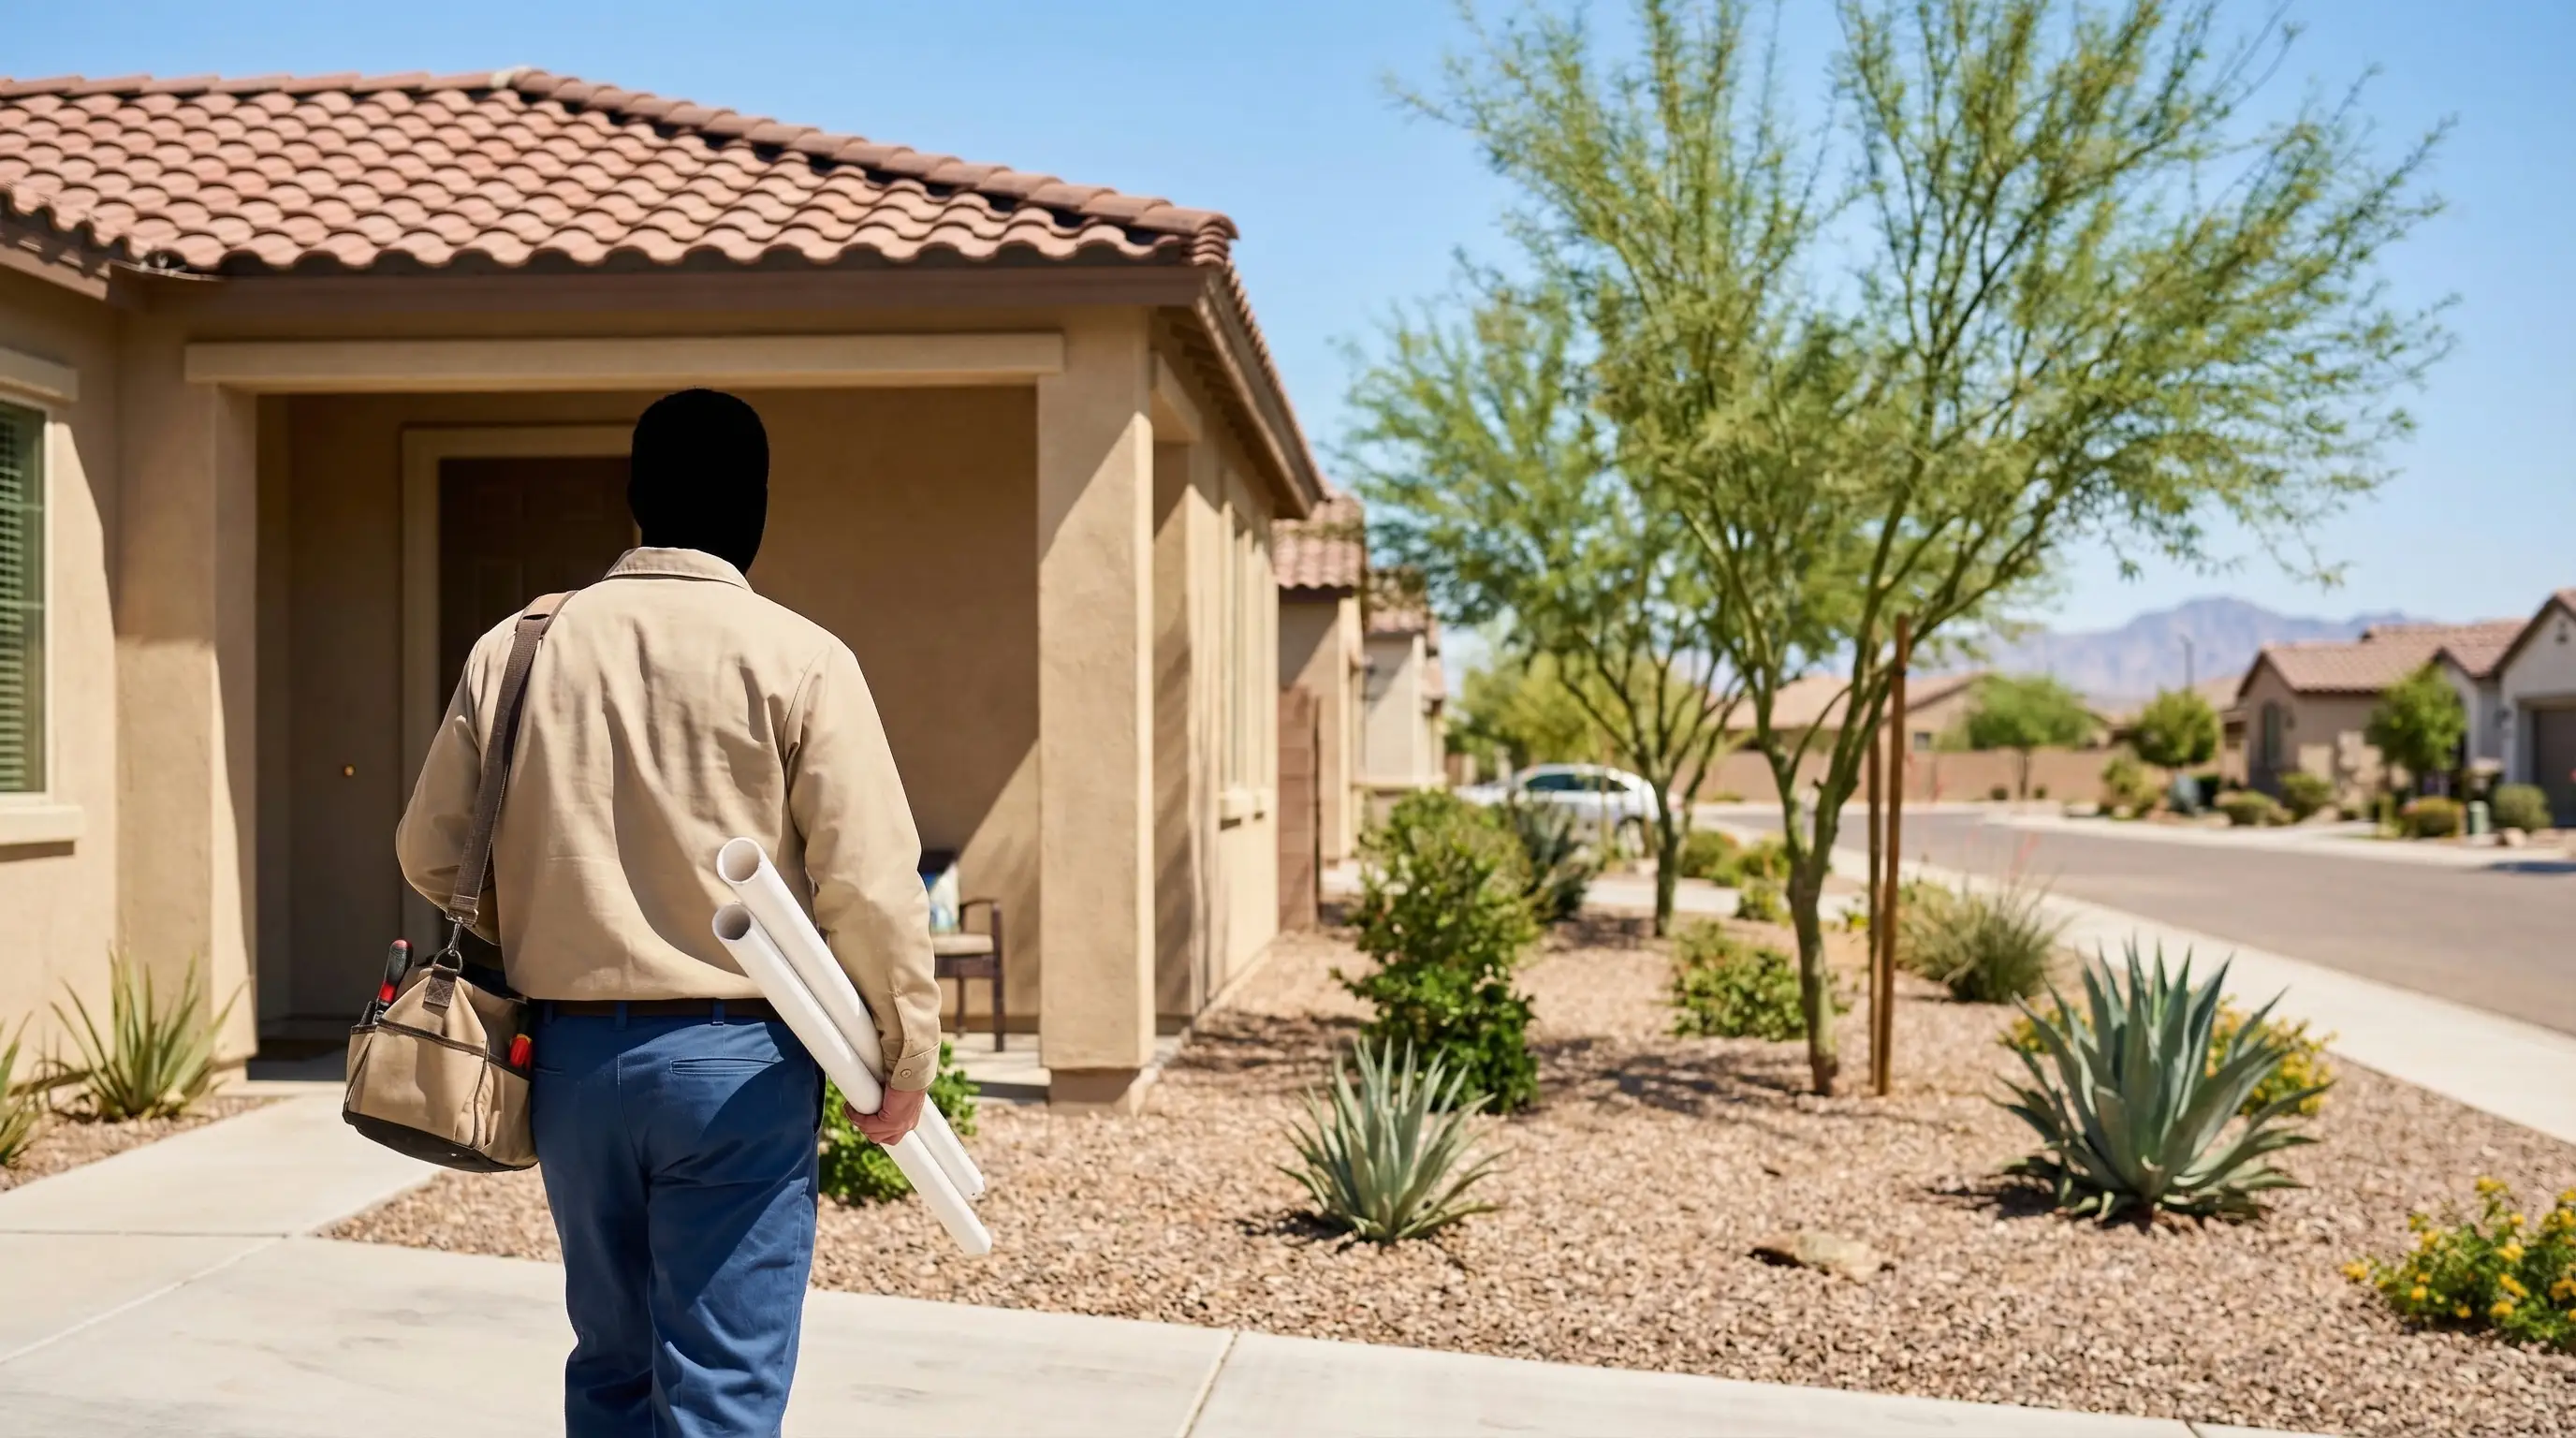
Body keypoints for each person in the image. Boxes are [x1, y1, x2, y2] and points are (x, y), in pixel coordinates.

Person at [396, 389, 941, 1437]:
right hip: (738, 1067)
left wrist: (561, 921)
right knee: (721, 1387)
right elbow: (868, 883)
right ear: (758, 505)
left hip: (569, 1067)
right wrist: (901, 1056)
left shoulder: (516, 647)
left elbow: (430, 851)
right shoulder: (801, 657)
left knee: (610, 1367)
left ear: (636, 498)